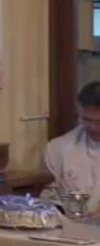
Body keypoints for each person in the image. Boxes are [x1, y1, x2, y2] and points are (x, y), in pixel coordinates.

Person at [44, 81, 100, 214]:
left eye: (99, 122)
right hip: (72, 223)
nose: (93, 128)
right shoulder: (58, 148)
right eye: (86, 120)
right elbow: (48, 196)